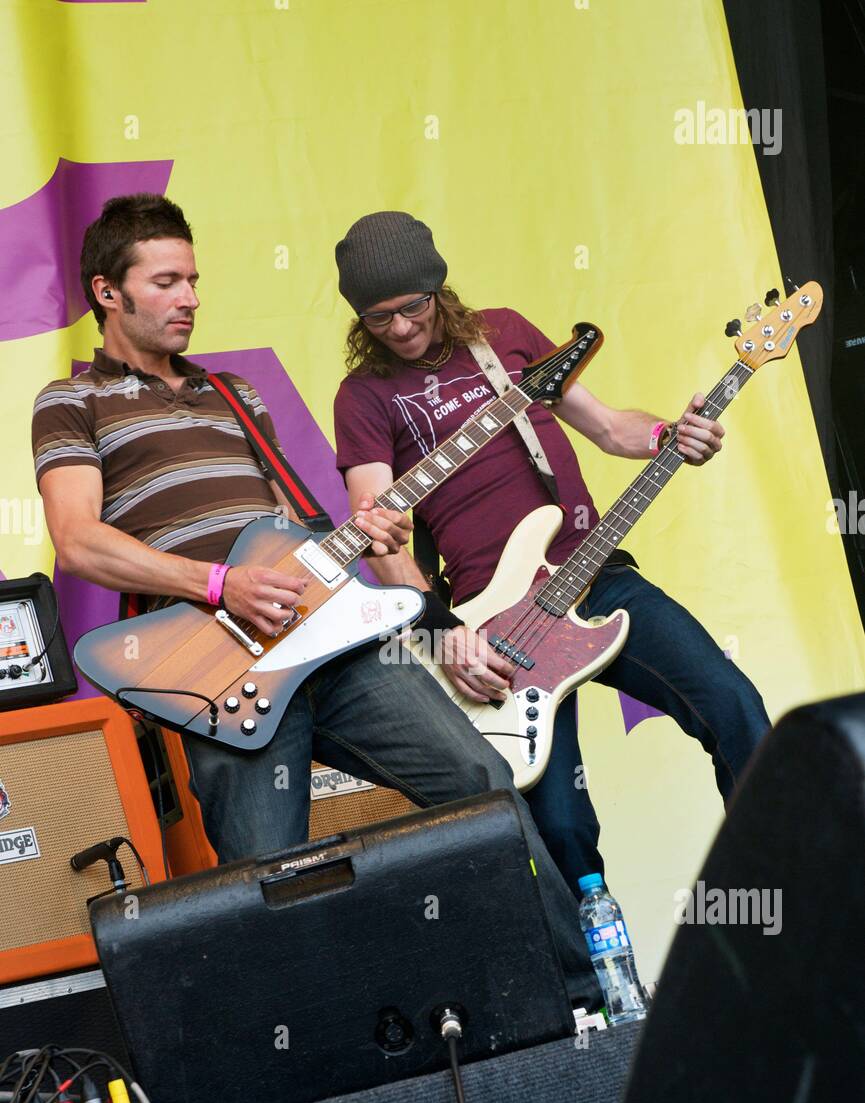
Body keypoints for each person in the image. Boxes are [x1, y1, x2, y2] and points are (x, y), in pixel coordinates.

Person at [32, 193, 604, 1009]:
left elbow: (295, 529)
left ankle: (586, 1006)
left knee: (480, 780)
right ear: (106, 292)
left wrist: (360, 536)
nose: (191, 296)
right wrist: (218, 584)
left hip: (333, 641)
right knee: (271, 879)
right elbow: (78, 541)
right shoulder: (71, 401)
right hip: (217, 671)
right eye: (166, 281)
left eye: (193, 279)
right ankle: (308, 1093)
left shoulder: (235, 394)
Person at [332, 211, 771, 900]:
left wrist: (666, 433)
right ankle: (603, 984)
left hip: (594, 577)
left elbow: (606, 428)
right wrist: (445, 640)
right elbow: (378, 535)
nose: (400, 328)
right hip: (495, 629)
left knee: (733, 706)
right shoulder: (363, 396)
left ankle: (788, 903)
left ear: (437, 289)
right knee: (560, 824)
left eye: (411, 307)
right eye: (377, 317)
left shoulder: (504, 335)